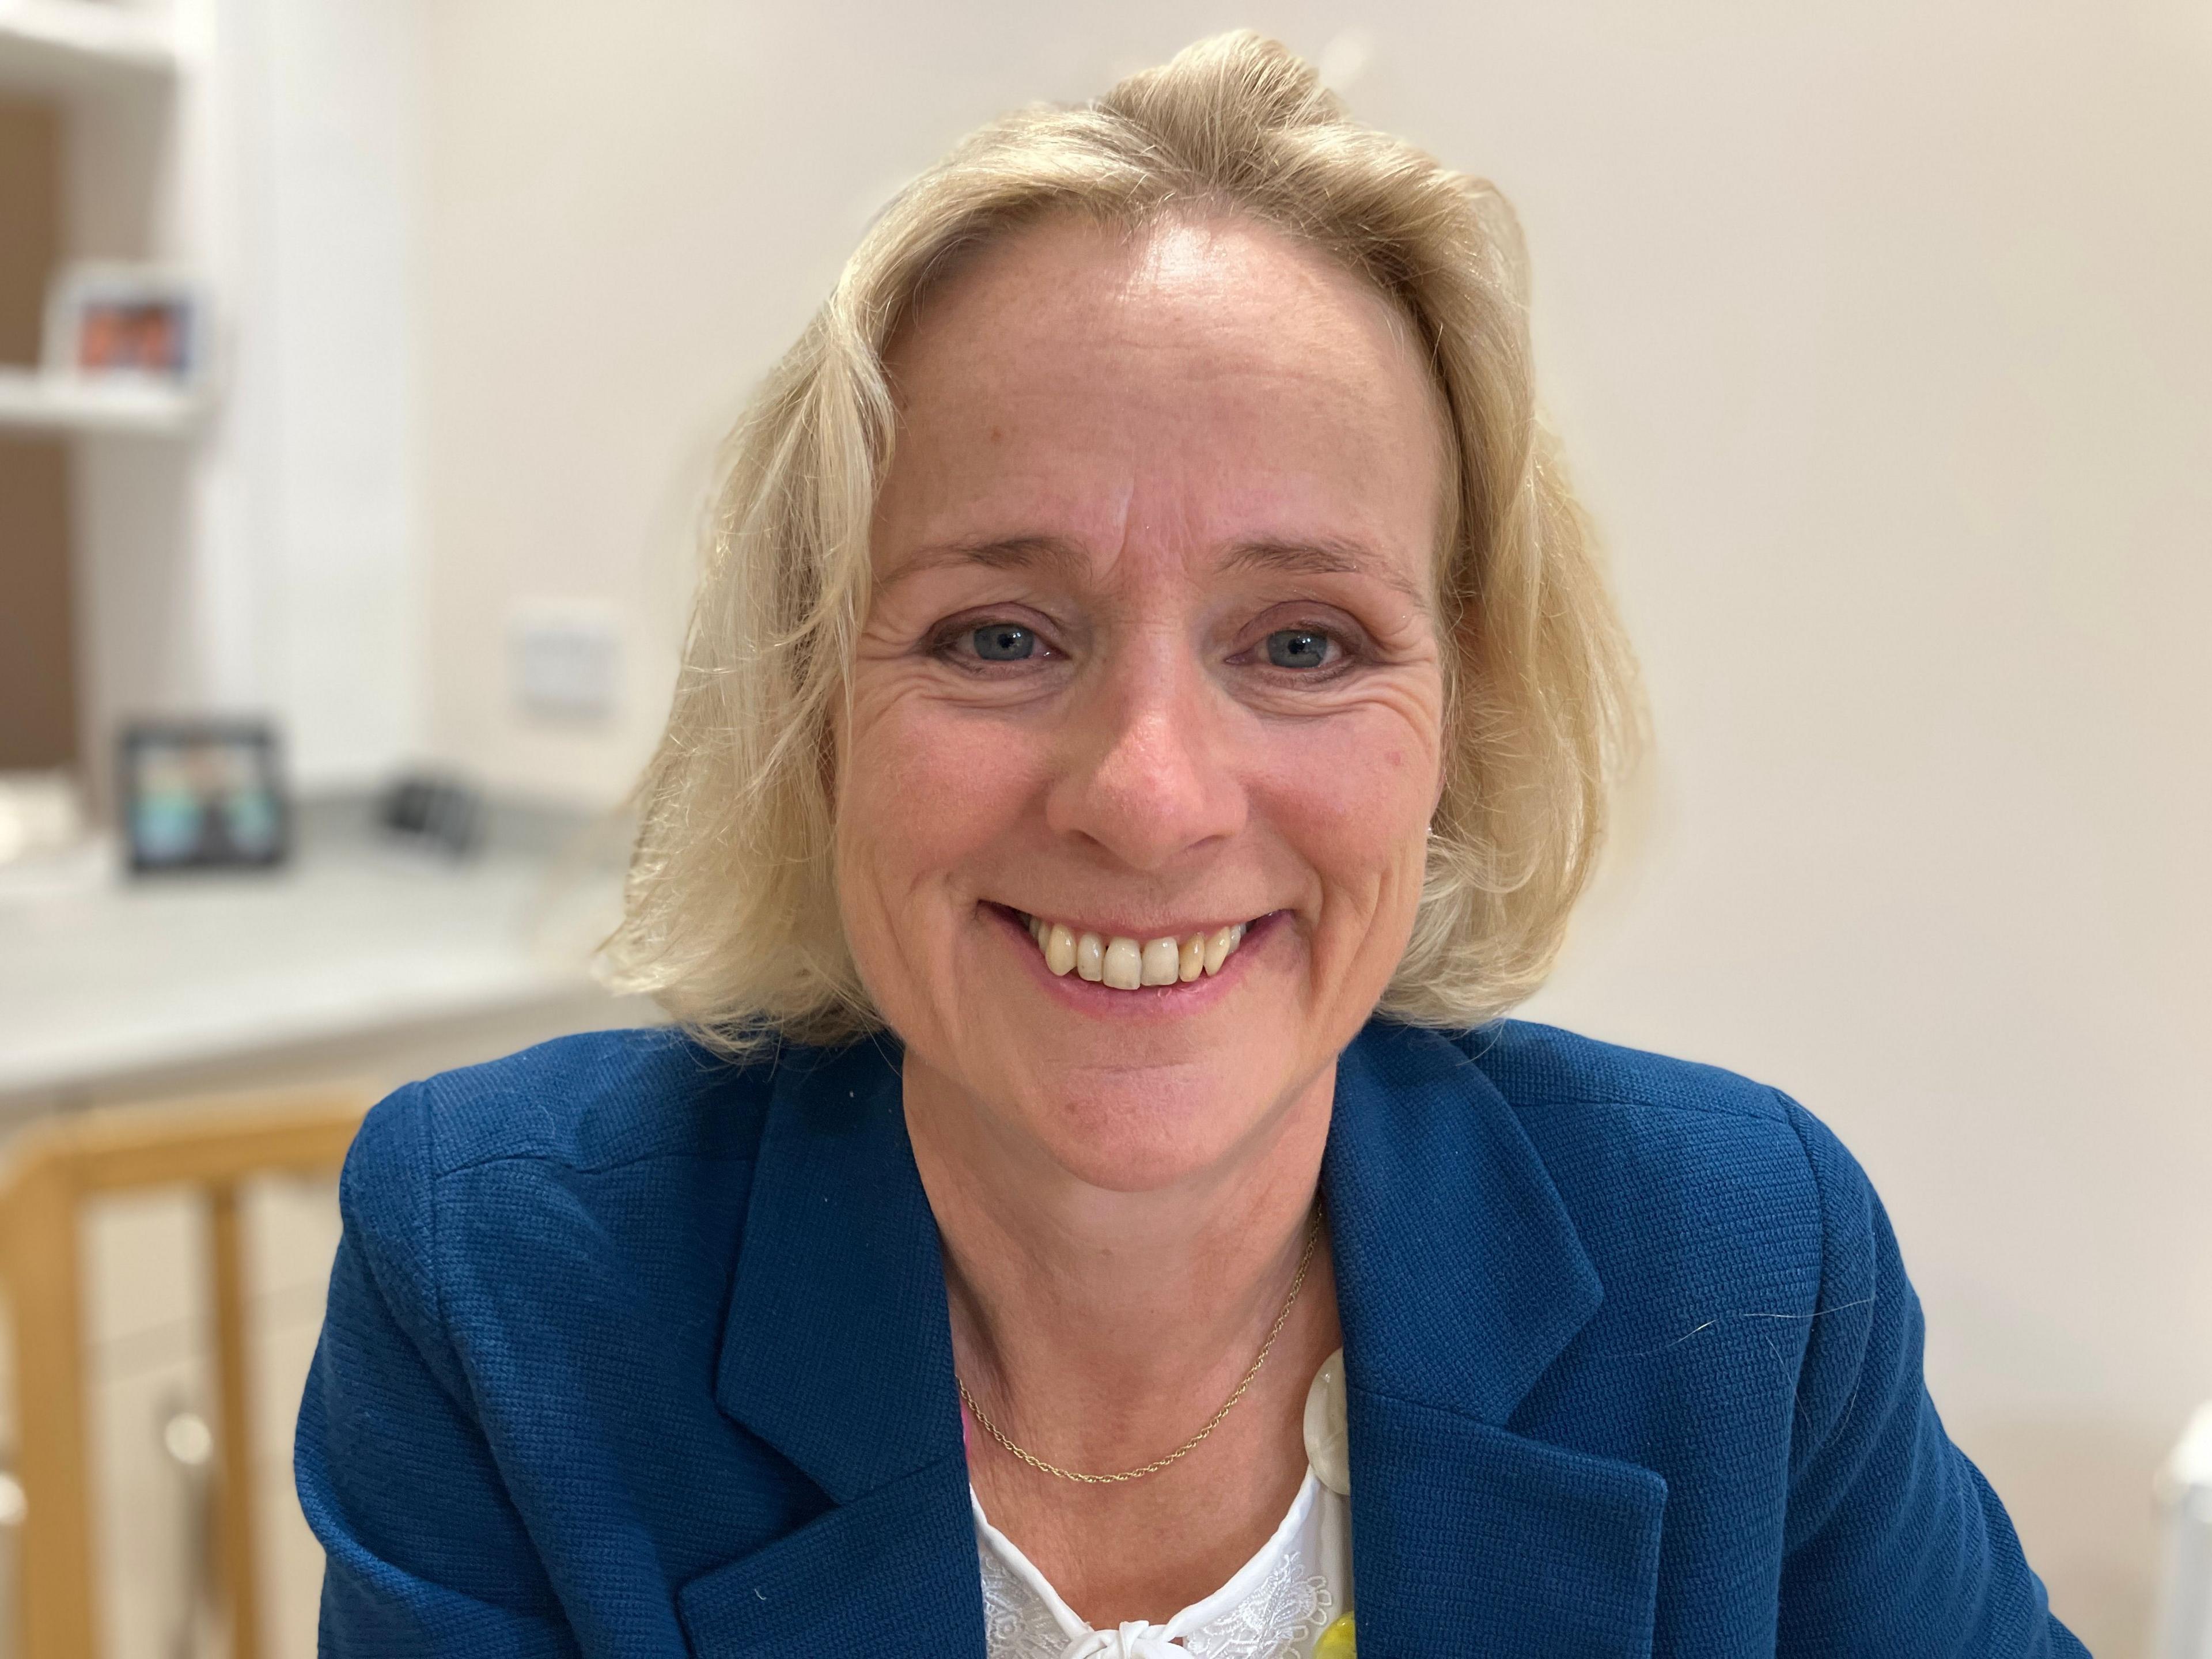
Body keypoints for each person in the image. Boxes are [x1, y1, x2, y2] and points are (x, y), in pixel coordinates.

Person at [296, 33, 2085, 1659]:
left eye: (1302, 644)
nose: (1149, 797)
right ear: (812, 706)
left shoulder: (1750, 1275)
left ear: (1460, 716)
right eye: (1000, 636)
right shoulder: (502, 1281)